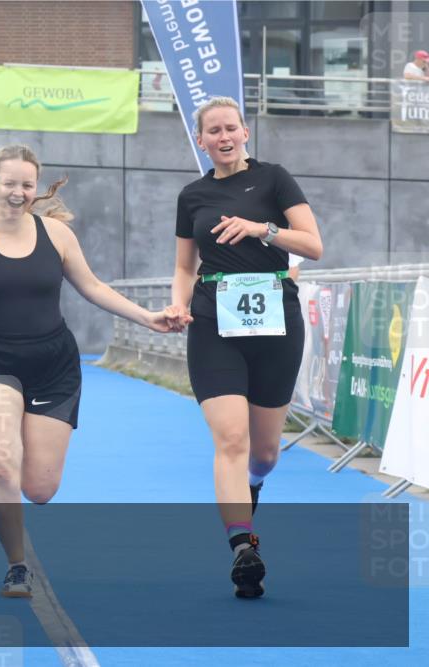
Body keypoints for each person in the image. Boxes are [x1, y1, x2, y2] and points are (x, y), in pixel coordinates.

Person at [0, 145, 188, 597]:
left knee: (39, 488)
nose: (18, 192)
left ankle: (26, 460)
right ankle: (17, 565)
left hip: (53, 365)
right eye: (10, 183)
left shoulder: (57, 236)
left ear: (34, 188)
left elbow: (93, 287)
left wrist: (149, 318)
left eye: (26, 184)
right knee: (2, 466)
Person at [170, 96, 322, 599]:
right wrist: (178, 305)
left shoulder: (275, 179)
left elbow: (313, 245)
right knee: (230, 440)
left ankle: (253, 485)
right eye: (213, 130)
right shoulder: (191, 195)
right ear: (202, 140)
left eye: (230, 128)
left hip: (276, 323)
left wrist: (262, 229)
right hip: (214, 323)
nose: (223, 136)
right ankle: (243, 547)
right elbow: (183, 267)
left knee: (264, 453)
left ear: (245, 132)